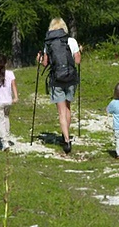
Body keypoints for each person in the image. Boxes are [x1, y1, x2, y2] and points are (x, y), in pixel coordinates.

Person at [36, 18, 81, 154]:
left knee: (61, 111)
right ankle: (66, 134)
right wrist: (79, 52)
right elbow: (77, 61)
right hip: (71, 78)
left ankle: (66, 140)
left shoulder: (48, 43)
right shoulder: (71, 41)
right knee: (68, 108)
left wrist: (38, 58)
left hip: (56, 79)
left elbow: (45, 63)